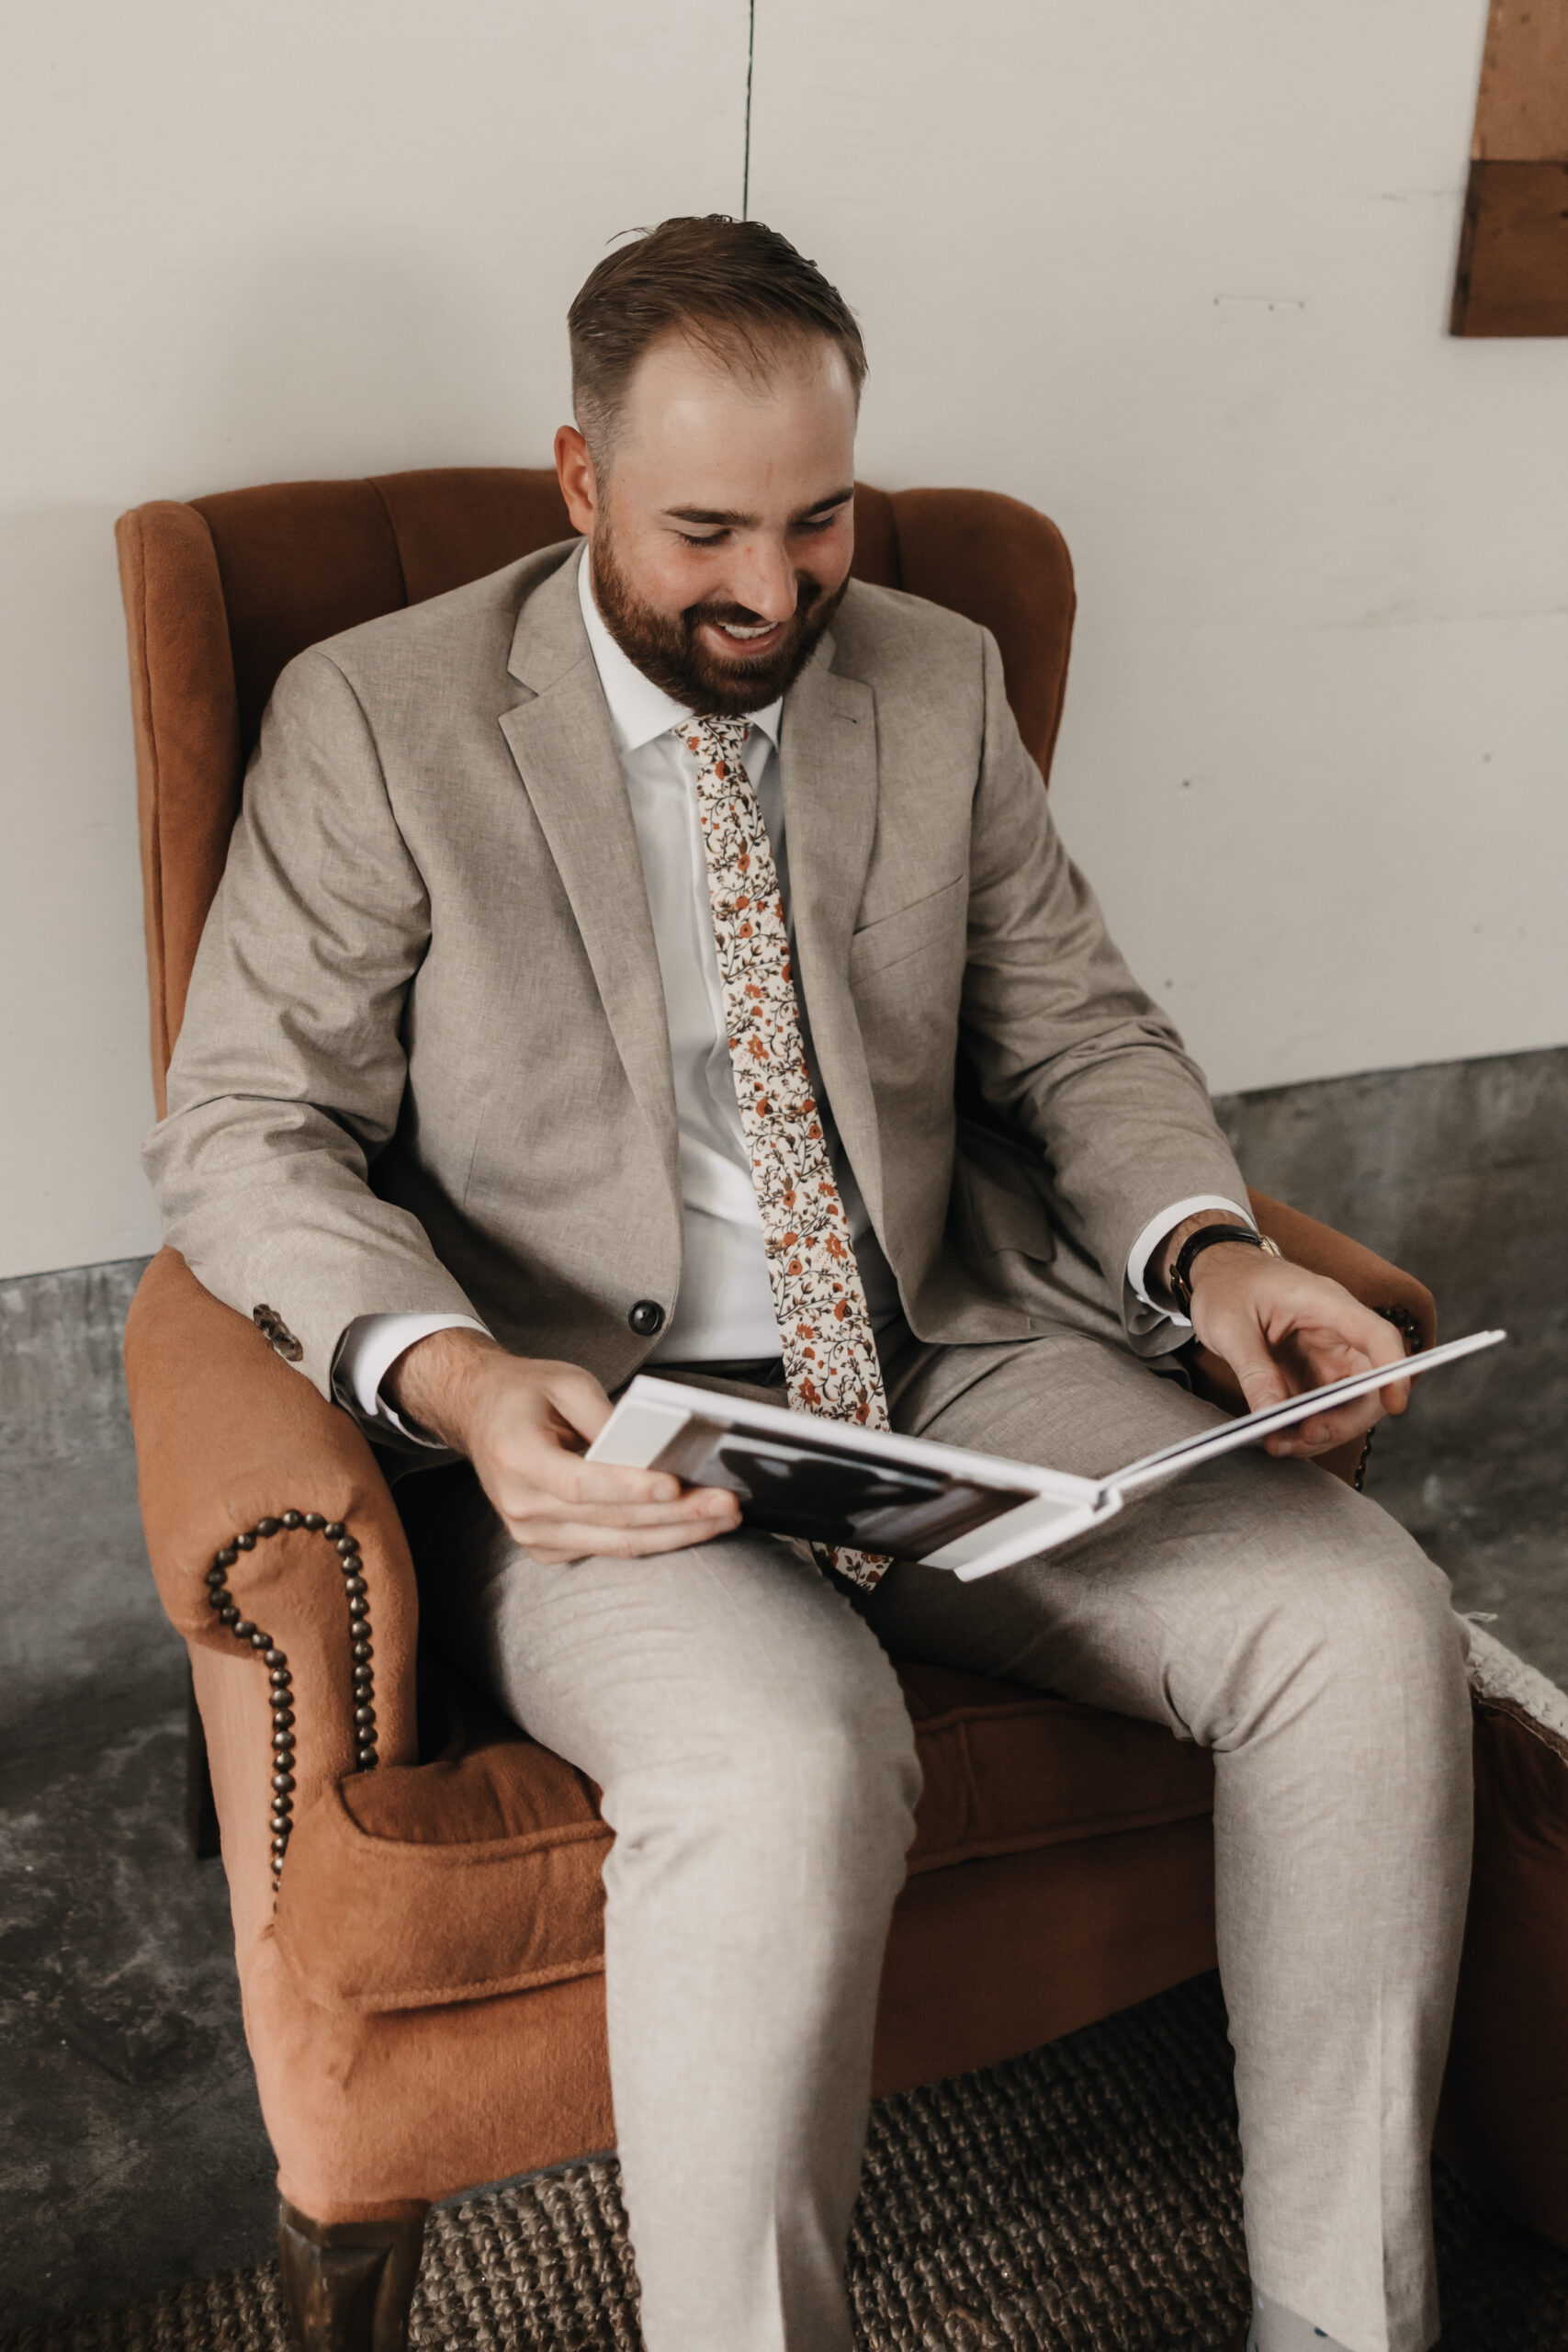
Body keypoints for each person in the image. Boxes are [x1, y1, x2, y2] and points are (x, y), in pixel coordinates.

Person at [145, 215, 1472, 2352]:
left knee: (1361, 1621)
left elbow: (1078, 1035)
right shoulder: (378, 719)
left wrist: (1210, 1254)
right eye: (703, 532)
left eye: (817, 517)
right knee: (785, 1754)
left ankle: (1343, 2320)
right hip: (597, 1428)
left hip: (939, 1362)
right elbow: (243, 1128)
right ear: (575, 481)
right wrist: (465, 1383)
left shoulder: (930, 681)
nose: (772, 590)